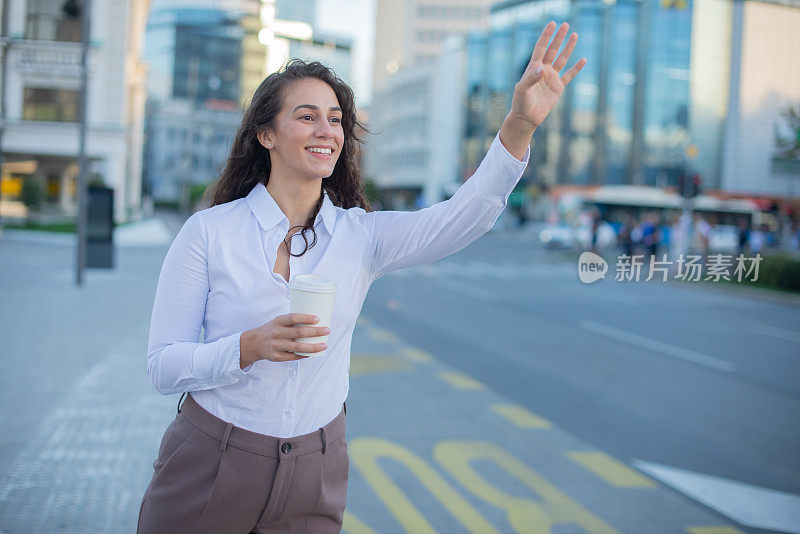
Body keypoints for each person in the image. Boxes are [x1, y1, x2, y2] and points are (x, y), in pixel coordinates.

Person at [137, 20, 586, 534]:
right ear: (266, 134)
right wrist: (247, 347)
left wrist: (519, 126)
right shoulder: (209, 233)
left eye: (334, 119)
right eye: (306, 117)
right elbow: (163, 366)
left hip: (315, 468)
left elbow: (465, 216)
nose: (326, 130)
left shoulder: (361, 236)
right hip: (211, 460)